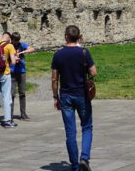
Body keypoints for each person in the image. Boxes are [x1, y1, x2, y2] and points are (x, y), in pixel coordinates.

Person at [51, 25, 96, 171]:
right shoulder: (84, 52)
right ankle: (84, 157)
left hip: (66, 95)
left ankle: (75, 166)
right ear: (79, 37)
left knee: (70, 132)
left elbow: (54, 79)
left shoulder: (58, 55)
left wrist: (55, 97)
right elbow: (93, 72)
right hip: (82, 94)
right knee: (87, 126)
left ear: (65, 37)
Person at [0, 32, 17, 127]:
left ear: (2, 36)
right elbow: (13, 62)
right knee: (6, 97)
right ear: (9, 38)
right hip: (5, 74)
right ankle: (7, 121)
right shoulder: (9, 46)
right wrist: (15, 59)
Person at [10, 32, 33, 120]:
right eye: (15, 41)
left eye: (18, 41)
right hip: (12, 72)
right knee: (11, 94)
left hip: (21, 71)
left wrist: (22, 52)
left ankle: (23, 114)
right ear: (12, 40)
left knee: (22, 93)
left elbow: (32, 49)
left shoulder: (21, 45)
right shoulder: (9, 46)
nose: (16, 42)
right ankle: (10, 115)